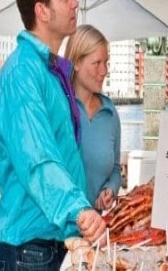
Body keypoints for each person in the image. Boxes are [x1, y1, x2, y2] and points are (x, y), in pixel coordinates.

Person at [0, 0, 106, 270]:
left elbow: (64, 153)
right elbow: (37, 160)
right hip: (30, 252)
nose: (75, 3)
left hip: (55, 244)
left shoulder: (52, 73)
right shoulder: (21, 74)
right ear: (42, 11)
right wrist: (78, 211)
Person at [64, 24, 122, 211]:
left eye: (106, 63)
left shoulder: (110, 112)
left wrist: (110, 190)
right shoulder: (60, 107)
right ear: (77, 63)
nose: (104, 71)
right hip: (56, 233)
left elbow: (115, 168)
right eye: (97, 63)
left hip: (94, 231)